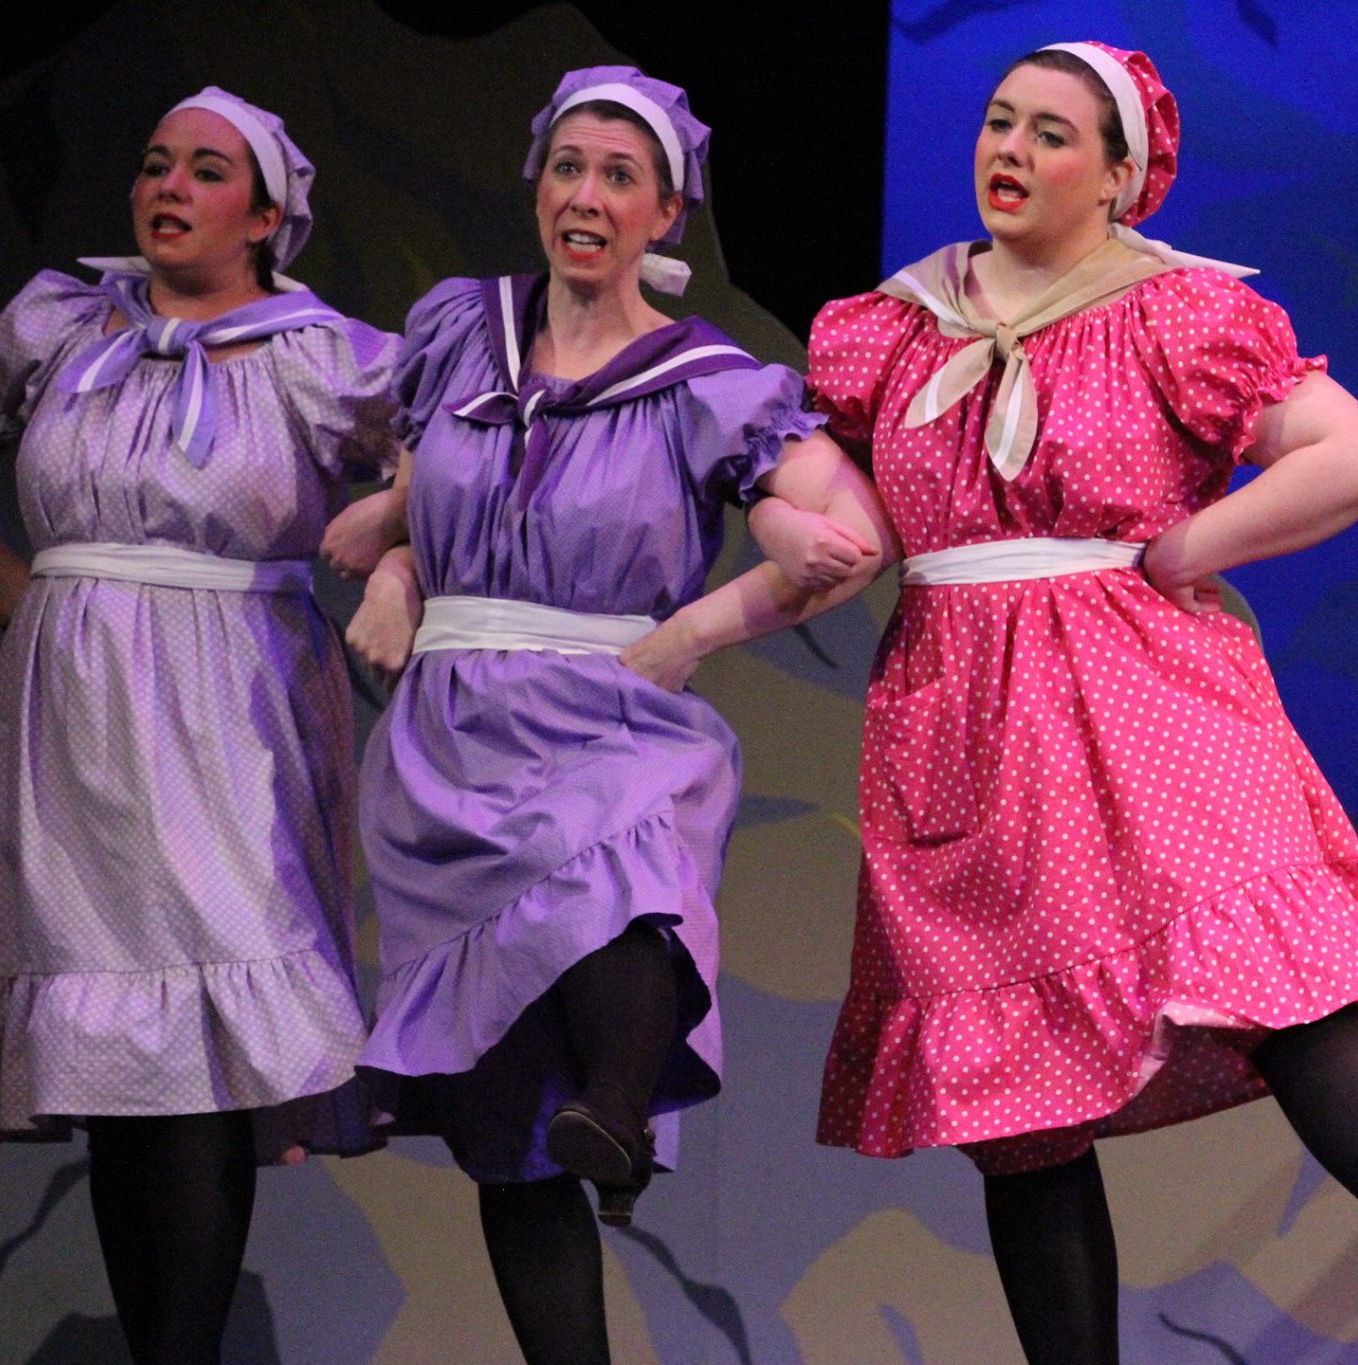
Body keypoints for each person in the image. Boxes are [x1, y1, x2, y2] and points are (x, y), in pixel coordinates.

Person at [807, 41, 1358, 1365]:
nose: (1009, 150)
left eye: (1051, 134)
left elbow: (1356, 456)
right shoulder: (897, 326)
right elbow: (842, 508)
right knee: (1013, 1088)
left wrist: (1179, 550)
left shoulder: (1171, 312)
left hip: (1141, 694)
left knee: (1278, 982)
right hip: (961, 720)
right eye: (998, 121)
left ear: (1120, 176)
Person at [335, 65, 889, 1365]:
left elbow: (845, 529)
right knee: (506, 1129)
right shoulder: (461, 332)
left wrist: (703, 623)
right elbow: (426, 490)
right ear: (538, 184)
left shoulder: (704, 380)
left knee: (626, 869)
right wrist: (401, 571)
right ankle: (587, 1154)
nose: (586, 194)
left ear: (665, 213)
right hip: (448, 747)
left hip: (609, 708)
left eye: (619, 176)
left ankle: (621, 1107)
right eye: (568, 167)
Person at [0, 87, 399, 1365]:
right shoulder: (61, 325)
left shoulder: (319, 354)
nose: (167, 188)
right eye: (153, 165)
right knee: (116, 1065)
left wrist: (391, 547)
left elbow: (431, 462)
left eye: (203, 170)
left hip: (226, 703)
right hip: (68, 713)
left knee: (197, 1049)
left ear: (265, 217)